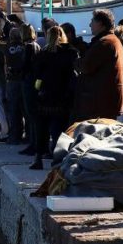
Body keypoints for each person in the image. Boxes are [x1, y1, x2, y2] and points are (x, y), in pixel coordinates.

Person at [31, 26, 78, 169]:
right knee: (60, 129)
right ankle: (58, 159)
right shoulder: (70, 52)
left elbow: (36, 75)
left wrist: (38, 90)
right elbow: (73, 74)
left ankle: (38, 158)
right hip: (62, 96)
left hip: (44, 96)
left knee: (41, 128)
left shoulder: (43, 53)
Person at [73, 9, 123, 122]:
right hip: (104, 100)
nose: (90, 24)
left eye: (92, 21)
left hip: (100, 102)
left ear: (101, 23)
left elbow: (86, 66)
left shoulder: (105, 42)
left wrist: (76, 60)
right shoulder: (111, 40)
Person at [20, 24, 42, 156]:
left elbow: (25, 65)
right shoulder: (37, 45)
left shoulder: (28, 47)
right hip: (35, 82)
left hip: (28, 82)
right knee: (33, 115)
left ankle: (33, 144)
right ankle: (34, 143)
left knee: (30, 114)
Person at [4, 27, 26, 145]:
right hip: (23, 80)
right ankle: (25, 135)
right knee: (24, 110)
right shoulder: (24, 47)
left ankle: (14, 136)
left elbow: (6, 64)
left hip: (12, 80)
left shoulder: (8, 47)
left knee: (13, 109)